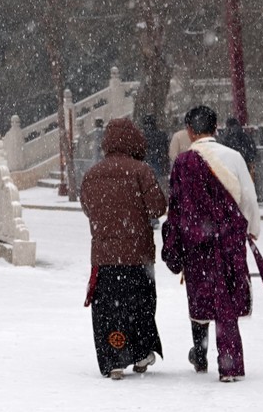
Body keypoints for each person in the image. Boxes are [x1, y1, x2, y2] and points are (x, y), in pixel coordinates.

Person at [161, 105, 261, 383]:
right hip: (229, 240)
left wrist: (174, 244)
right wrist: (252, 229)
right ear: (216, 129)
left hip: (197, 244)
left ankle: (201, 353)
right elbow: (249, 199)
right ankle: (230, 362)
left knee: (202, 299)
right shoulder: (234, 157)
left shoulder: (183, 163)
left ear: (189, 131)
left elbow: (176, 208)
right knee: (225, 299)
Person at [80, 118, 167, 380]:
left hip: (105, 257)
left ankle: (113, 359)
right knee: (140, 307)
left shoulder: (92, 174)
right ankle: (140, 354)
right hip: (138, 255)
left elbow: (87, 208)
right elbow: (158, 208)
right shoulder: (141, 171)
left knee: (108, 311)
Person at [218, 117, 259, 181]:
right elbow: (253, 151)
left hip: (231, 169)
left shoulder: (226, 137)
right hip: (245, 167)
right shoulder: (246, 135)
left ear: (228, 125)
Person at [141, 114, 170, 191]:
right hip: (160, 163)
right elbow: (166, 150)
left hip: (146, 165)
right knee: (161, 187)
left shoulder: (141, 136)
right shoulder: (161, 135)